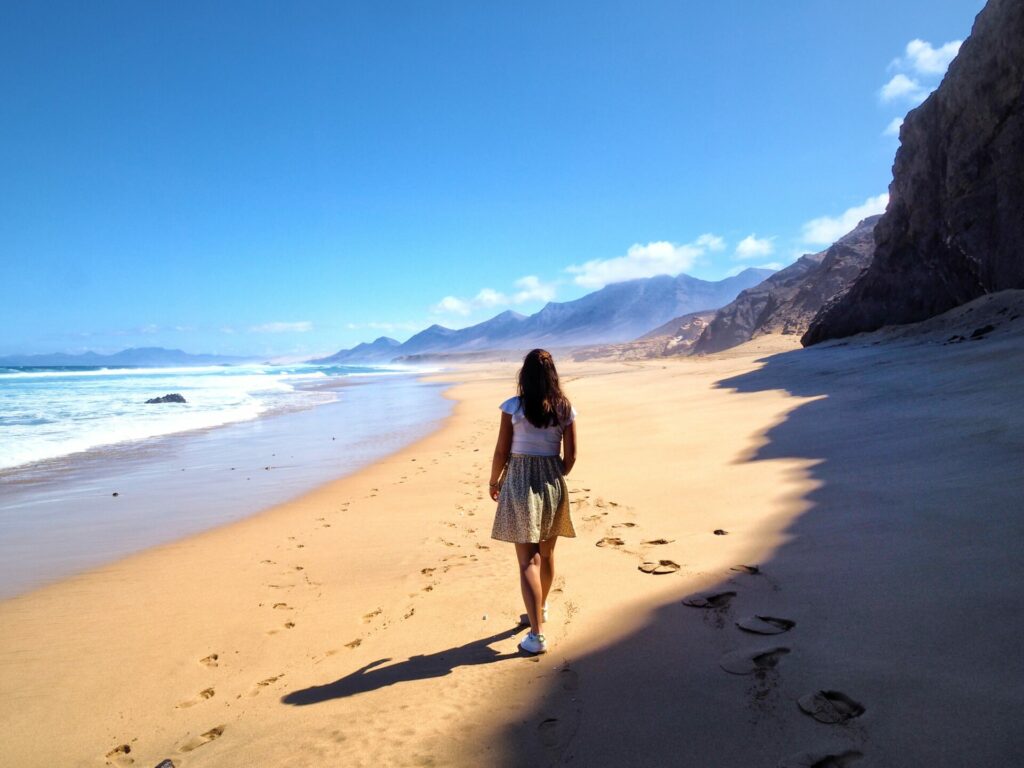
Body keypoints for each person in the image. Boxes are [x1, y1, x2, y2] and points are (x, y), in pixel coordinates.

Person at [488, 348, 576, 654]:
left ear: (524, 376)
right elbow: (572, 456)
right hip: (553, 481)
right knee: (547, 554)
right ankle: (541, 608)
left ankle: (536, 635)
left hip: (520, 481)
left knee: (527, 559)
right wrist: (552, 473)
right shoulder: (564, 409)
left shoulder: (513, 407)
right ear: (553, 375)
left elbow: (502, 451)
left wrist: (494, 480)